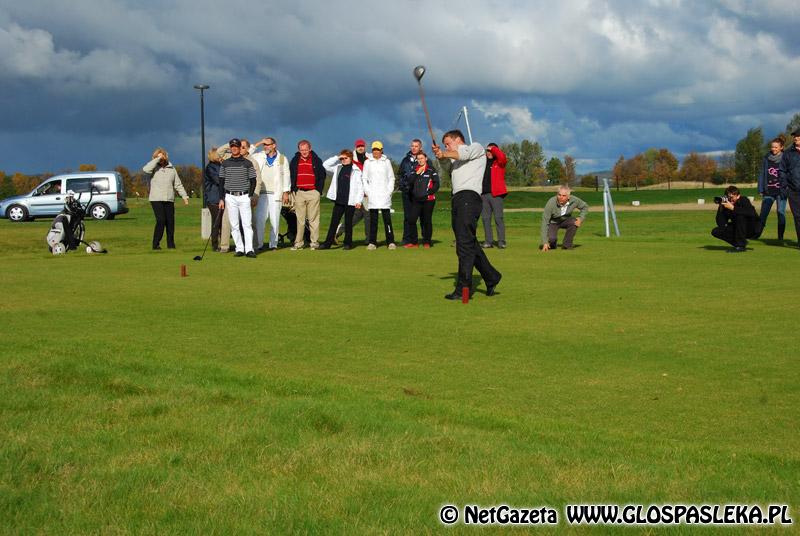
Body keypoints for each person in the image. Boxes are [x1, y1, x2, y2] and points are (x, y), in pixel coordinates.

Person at [432, 130, 502, 300]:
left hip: (469, 197)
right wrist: (441, 157)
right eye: (445, 145)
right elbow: (447, 167)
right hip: (457, 199)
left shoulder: (475, 148)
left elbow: (462, 154)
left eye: (448, 143)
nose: (446, 147)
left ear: (458, 140)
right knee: (468, 242)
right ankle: (491, 276)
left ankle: (463, 288)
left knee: (463, 245)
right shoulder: (453, 158)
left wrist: (444, 153)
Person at [143, 147, 189, 250]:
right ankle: (156, 244)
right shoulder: (153, 167)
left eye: (162, 156)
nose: (161, 159)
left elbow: (178, 184)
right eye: (158, 157)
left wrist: (184, 197)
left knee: (170, 222)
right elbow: (145, 169)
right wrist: (157, 159)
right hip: (156, 199)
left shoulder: (172, 169)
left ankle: (171, 245)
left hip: (169, 199)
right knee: (161, 220)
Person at [218, 138, 257, 258]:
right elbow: (221, 182)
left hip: (244, 196)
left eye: (236, 146)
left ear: (240, 148)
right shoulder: (225, 163)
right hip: (230, 197)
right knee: (234, 225)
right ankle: (239, 248)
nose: (234, 148)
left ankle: (249, 249)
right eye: (232, 146)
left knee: (247, 224)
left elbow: (253, 181)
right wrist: (221, 198)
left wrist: (250, 195)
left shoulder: (247, 163)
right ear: (230, 148)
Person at [250, 137, 291, 251]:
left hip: (276, 194)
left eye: (268, 144)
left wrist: (286, 192)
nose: (265, 147)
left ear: (274, 145)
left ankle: (273, 244)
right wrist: (259, 143)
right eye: (264, 145)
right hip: (261, 193)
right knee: (260, 220)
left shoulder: (282, 158)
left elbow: (286, 176)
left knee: (275, 220)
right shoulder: (259, 156)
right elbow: (247, 154)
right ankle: (259, 244)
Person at [319, 150, 364, 250]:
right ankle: (327, 244)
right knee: (333, 223)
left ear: (351, 158)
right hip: (339, 201)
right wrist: (337, 157)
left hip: (350, 201)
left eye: (346, 158)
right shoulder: (337, 167)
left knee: (348, 223)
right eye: (342, 158)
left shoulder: (356, 170)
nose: (343, 160)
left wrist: (358, 201)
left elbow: (360, 187)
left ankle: (348, 243)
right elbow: (325, 165)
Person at [289, 139, 326, 250]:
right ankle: (299, 243)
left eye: (306, 149)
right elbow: (291, 175)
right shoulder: (295, 160)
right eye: (302, 150)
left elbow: (322, 175)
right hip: (299, 192)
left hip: (313, 192)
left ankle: (314, 242)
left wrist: (318, 190)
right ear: (299, 150)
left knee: (313, 219)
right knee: (300, 220)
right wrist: (293, 189)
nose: (304, 152)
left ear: (310, 149)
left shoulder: (316, 160)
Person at [362, 141, 397, 250]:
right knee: (373, 220)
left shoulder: (386, 162)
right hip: (373, 195)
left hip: (384, 195)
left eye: (378, 149)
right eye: (374, 150)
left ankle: (390, 241)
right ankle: (372, 242)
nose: (376, 152)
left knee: (387, 220)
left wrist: (389, 191)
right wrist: (368, 191)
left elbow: (391, 177)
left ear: (381, 150)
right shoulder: (367, 162)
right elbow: (364, 178)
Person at [335, 139, 370, 243]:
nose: (360, 148)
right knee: (355, 217)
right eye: (358, 146)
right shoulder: (352, 159)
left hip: (367, 192)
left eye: (362, 146)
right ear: (355, 147)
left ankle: (369, 239)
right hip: (354, 193)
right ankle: (337, 233)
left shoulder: (369, 158)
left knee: (368, 216)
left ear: (365, 147)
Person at [711, 185, 762, 252]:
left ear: (738, 196)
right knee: (716, 231)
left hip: (752, 229)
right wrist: (721, 207)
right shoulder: (726, 205)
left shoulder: (744, 200)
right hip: (739, 228)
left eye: (732, 197)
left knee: (740, 216)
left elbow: (751, 213)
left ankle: (741, 246)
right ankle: (739, 244)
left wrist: (733, 208)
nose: (730, 199)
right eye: (728, 197)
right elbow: (721, 224)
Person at [405, 151, 440, 248]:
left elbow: (437, 184)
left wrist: (429, 192)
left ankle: (427, 241)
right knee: (412, 220)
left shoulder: (431, 170)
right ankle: (414, 242)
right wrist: (417, 173)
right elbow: (409, 182)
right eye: (418, 159)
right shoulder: (414, 170)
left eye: (422, 158)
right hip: (416, 200)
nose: (420, 160)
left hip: (428, 200)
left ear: (426, 159)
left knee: (426, 221)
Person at [540, 186, 589, 251]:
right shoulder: (551, 202)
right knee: (552, 239)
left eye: (564, 196)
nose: (561, 197)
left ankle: (567, 245)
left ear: (568, 197)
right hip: (553, 222)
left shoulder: (574, 200)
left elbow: (585, 207)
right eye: (559, 195)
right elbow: (545, 222)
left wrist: (581, 218)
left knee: (574, 222)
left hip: (566, 220)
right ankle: (552, 244)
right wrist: (545, 242)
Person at [481, 143, 508, 249]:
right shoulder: (482, 162)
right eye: (487, 151)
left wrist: (493, 148)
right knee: (485, 219)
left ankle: (501, 241)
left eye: (491, 151)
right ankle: (489, 241)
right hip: (484, 195)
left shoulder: (499, 162)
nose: (489, 153)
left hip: (496, 195)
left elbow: (502, 157)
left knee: (498, 218)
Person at [759, 137, 786, 241]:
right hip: (768, 191)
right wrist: (760, 189)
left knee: (780, 213)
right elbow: (762, 173)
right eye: (772, 147)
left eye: (776, 147)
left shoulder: (786, 158)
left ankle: (780, 237)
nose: (773, 149)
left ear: (781, 147)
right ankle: (756, 234)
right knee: (763, 213)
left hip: (781, 191)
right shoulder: (766, 158)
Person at [398, 138, 423, 244]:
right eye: (412, 146)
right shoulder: (405, 160)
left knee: (422, 216)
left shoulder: (424, 159)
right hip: (407, 192)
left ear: (420, 147)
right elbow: (400, 174)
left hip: (420, 193)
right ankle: (407, 239)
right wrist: (403, 186)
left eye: (416, 146)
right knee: (408, 217)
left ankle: (425, 239)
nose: (414, 148)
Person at [779, 130, 800, 245]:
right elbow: (782, 171)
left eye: (798, 136)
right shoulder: (787, 153)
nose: (796, 138)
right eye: (795, 136)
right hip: (793, 191)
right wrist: (785, 186)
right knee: (798, 217)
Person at [203, 147, 224, 252]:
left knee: (222, 222)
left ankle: (223, 243)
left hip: (221, 197)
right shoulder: (210, 167)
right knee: (216, 222)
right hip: (213, 198)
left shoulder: (220, 166)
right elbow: (218, 180)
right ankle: (215, 244)